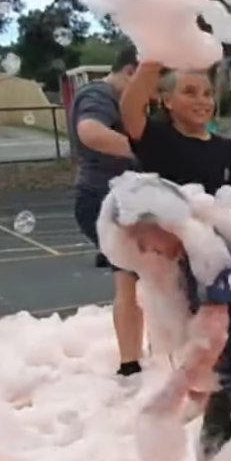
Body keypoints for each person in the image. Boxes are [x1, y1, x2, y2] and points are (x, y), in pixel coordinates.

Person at [99, 172, 231, 461]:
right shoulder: (181, 258)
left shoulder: (212, 258)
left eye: (143, 236)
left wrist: (173, 393)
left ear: (167, 222)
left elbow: (212, 335)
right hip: (228, 369)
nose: (142, 248)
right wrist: (195, 386)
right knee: (212, 451)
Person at [68, 46, 147, 377]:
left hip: (123, 198)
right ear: (132, 71)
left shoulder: (121, 99)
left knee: (139, 277)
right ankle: (130, 365)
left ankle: (138, 358)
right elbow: (90, 132)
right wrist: (148, 151)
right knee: (131, 279)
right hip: (104, 200)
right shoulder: (99, 94)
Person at [119, 58, 231, 234]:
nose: (201, 101)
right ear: (167, 101)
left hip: (220, 248)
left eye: (207, 94)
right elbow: (129, 109)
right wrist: (153, 57)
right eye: (190, 92)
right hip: (166, 248)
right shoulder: (156, 139)